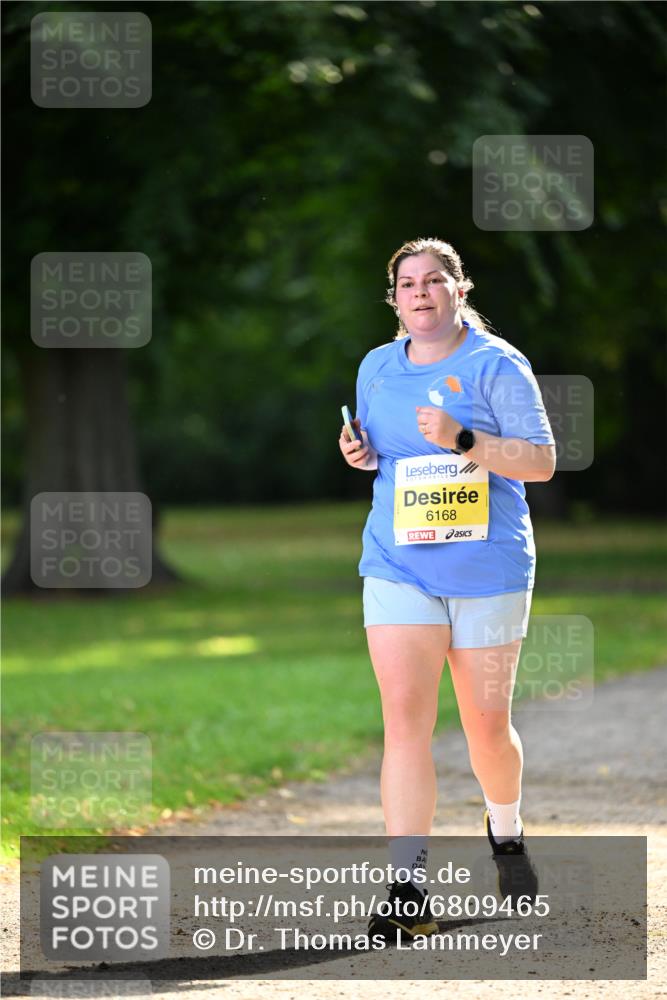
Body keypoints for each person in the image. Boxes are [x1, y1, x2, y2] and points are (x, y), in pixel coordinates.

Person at [338, 237, 556, 942]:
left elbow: (542, 463)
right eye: (406, 284)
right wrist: (358, 452)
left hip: (486, 569)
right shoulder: (376, 366)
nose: (420, 293)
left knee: (484, 726)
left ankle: (507, 833)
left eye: (434, 281)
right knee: (405, 723)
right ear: (394, 299)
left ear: (458, 290)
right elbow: (378, 450)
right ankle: (406, 885)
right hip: (398, 566)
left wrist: (465, 440)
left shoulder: (496, 364)